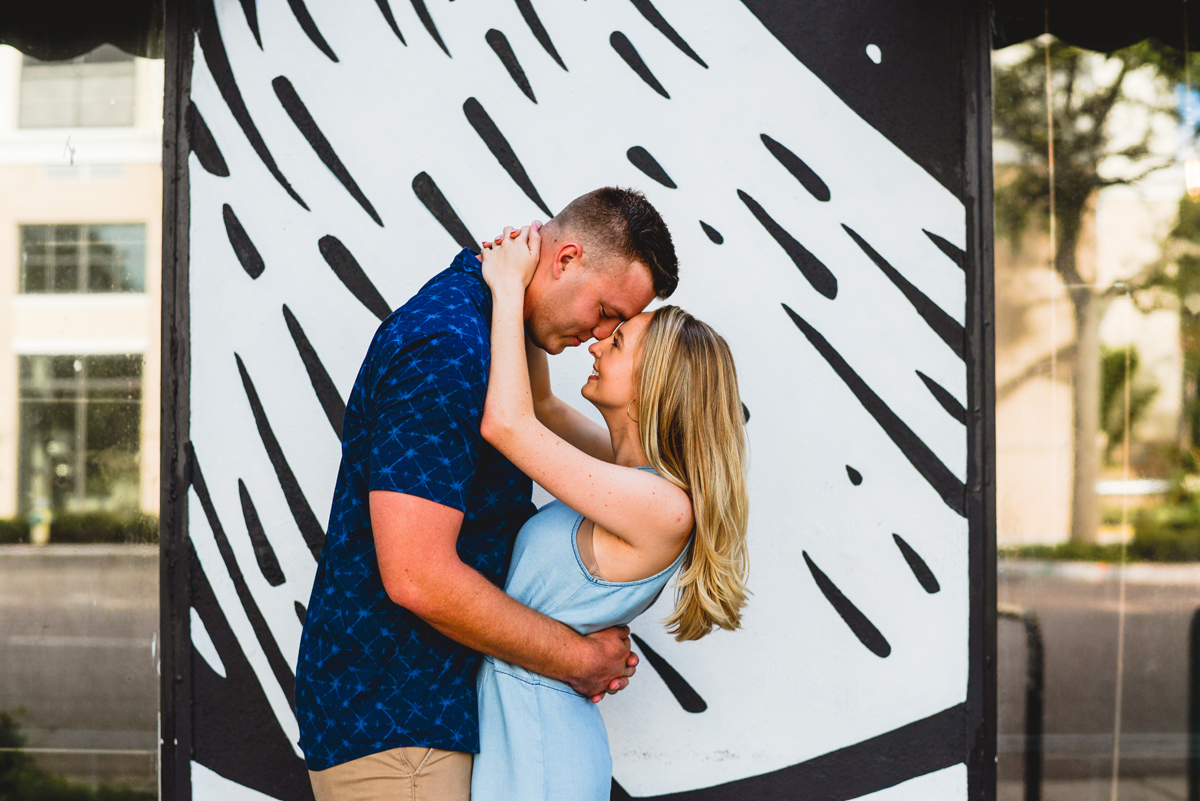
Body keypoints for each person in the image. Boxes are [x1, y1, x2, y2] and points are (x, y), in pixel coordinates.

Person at [295, 187, 679, 801]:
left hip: (428, 714)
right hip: (398, 722)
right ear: (565, 258)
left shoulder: (486, 332)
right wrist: (577, 659)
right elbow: (418, 575)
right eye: (605, 310)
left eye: (619, 328)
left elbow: (540, 411)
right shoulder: (449, 346)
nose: (601, 336)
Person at [470, 223, 749, 800]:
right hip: (518, 720)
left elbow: (507, 423)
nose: (596, 343)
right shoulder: (624, 476)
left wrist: (504, 288)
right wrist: (533, 295)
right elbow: (540, 406)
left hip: (542, 745)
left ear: (655, 385)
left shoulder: (659, 506)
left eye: (617, 343)